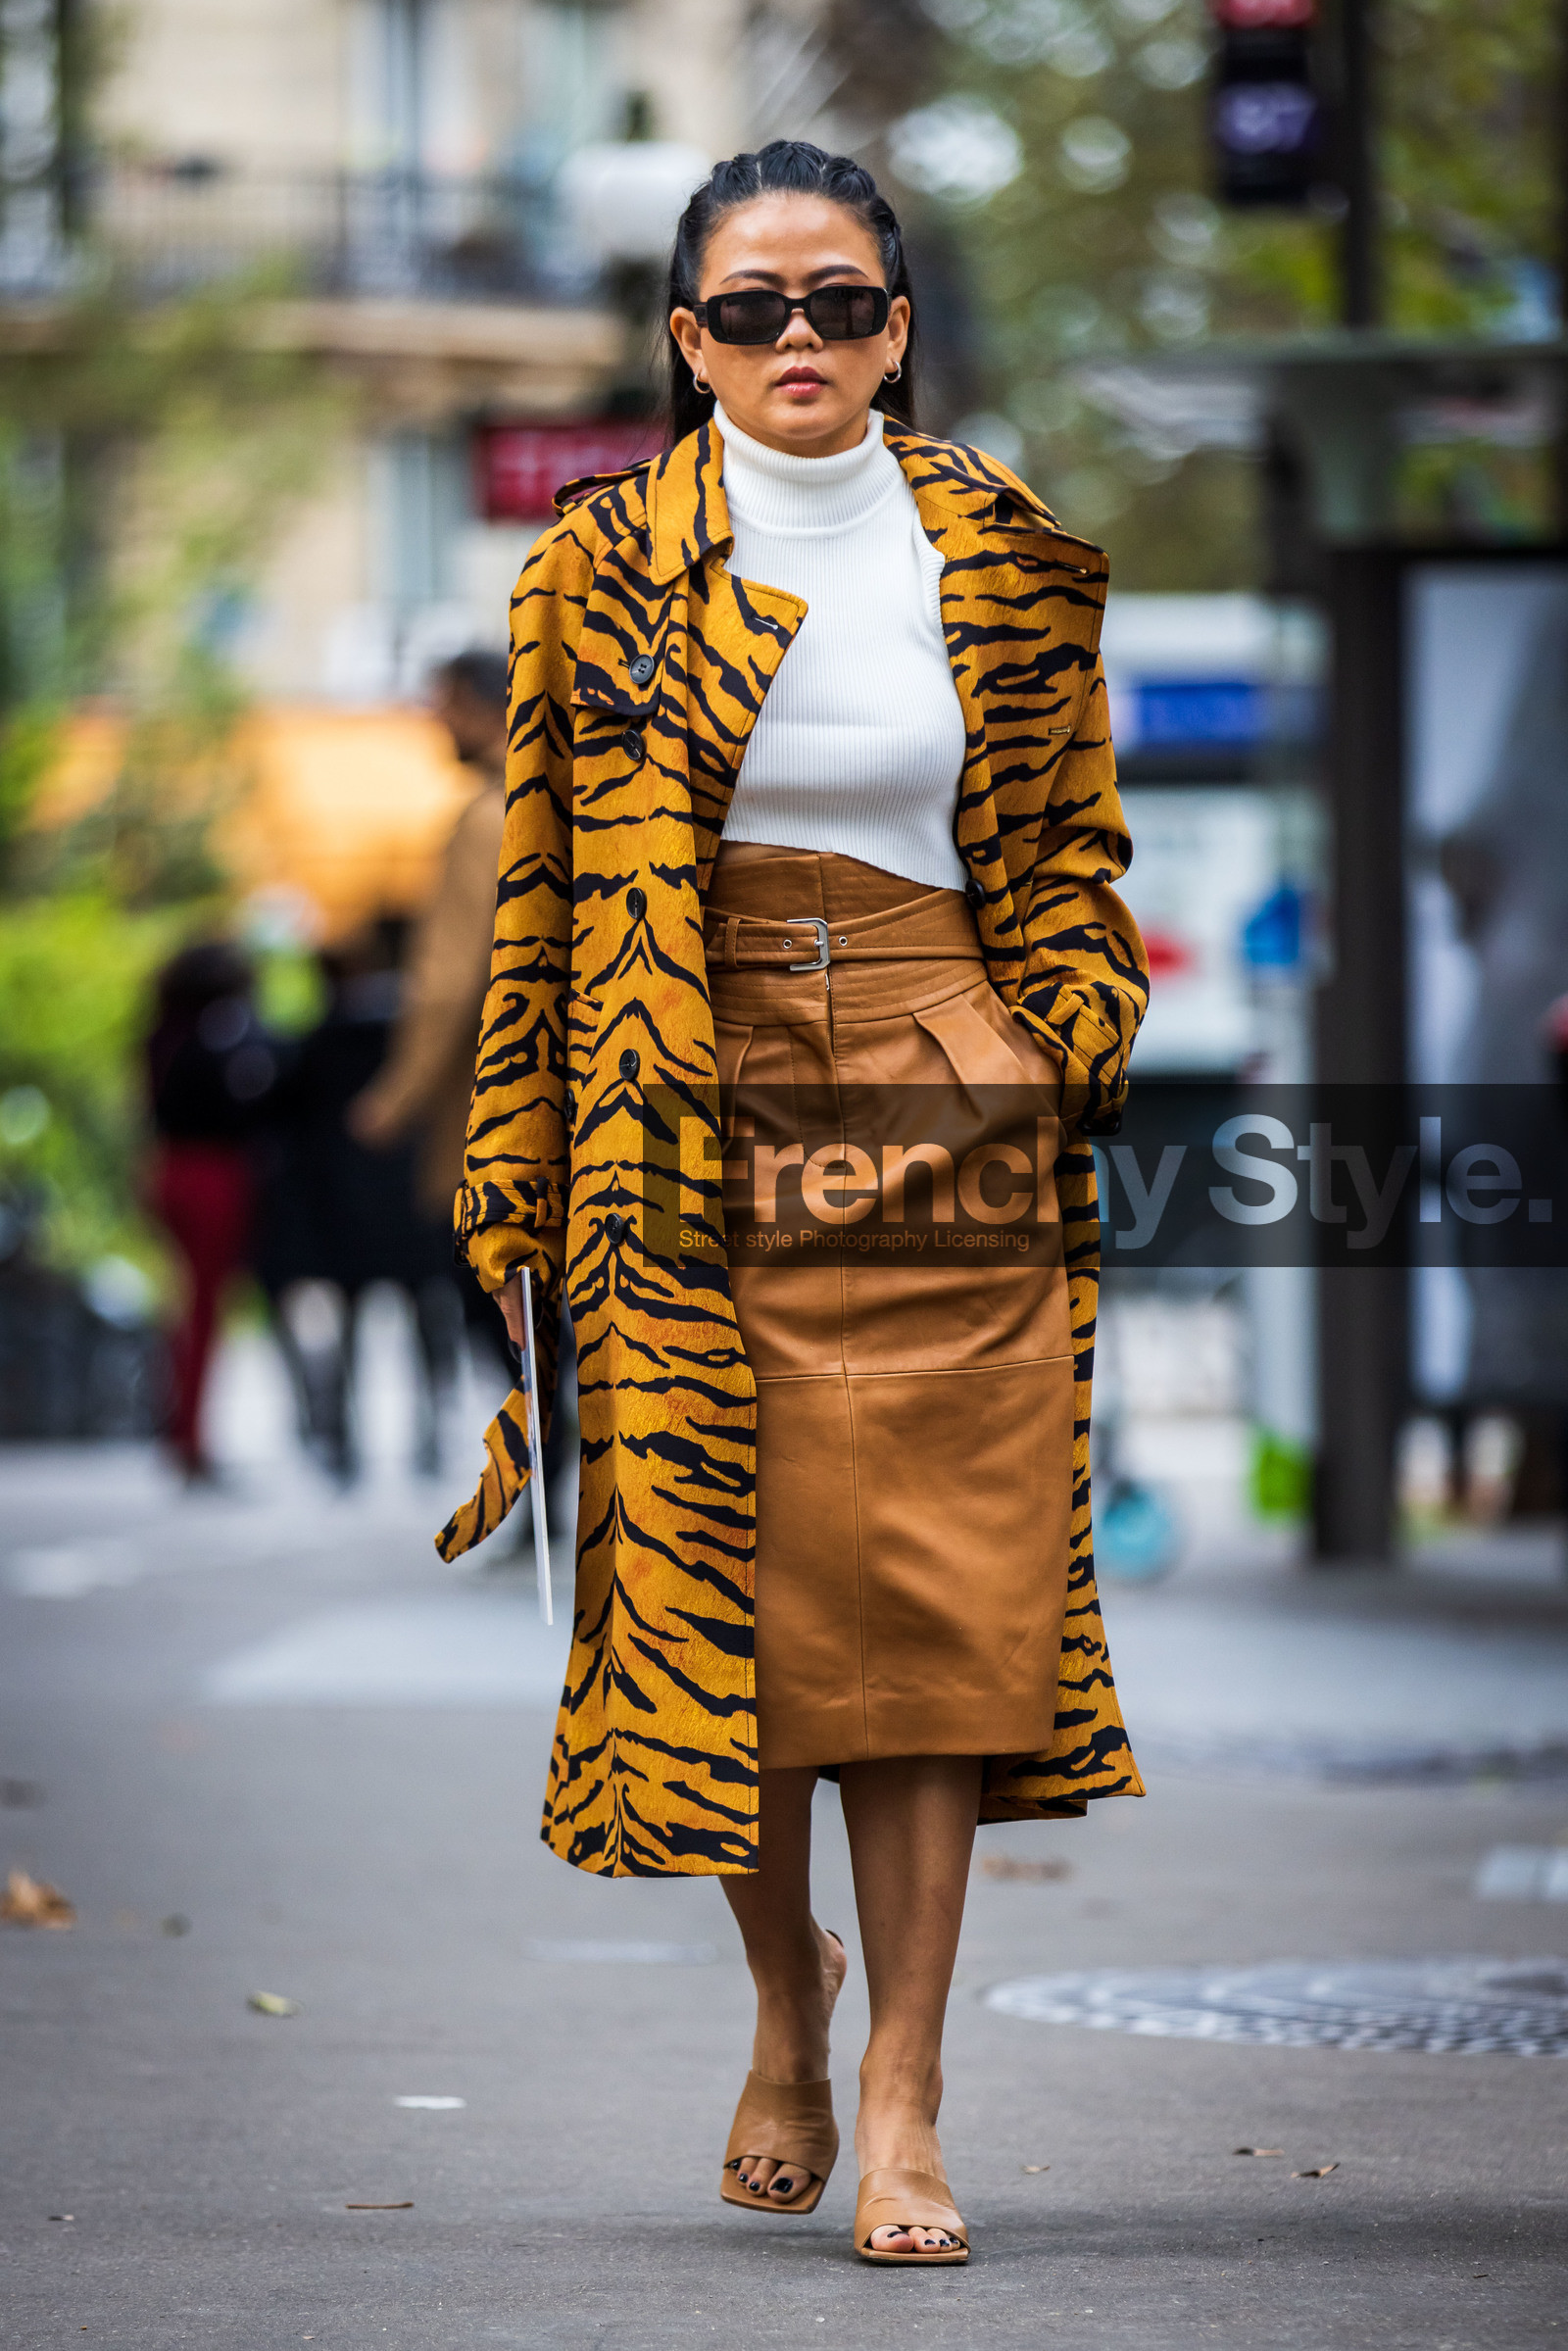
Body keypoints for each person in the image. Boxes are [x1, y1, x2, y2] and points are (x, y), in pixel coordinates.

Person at [438, 142, 1150, 2264]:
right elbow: (543, 891)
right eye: (748, 310)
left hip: (946, 1081)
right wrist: (523, 1170)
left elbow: (1069, 852)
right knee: (714, 1584)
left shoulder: (1005, 556)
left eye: (837, 301)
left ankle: (909, 2089)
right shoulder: (595, 569)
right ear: (686, 342)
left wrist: (1053, 1039)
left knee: (927, 1603)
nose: (797, 342)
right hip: (685, 1091)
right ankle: (783, 1997)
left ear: (897, 319)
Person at [145, 940, 278, 1481]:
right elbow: (244, 1105)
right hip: (213, 1176)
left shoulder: (160, 1035)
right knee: (203, 1310)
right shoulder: (223, 1034)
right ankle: (190, 1439)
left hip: (168, 1170)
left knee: (187, 1306)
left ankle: (182, 1427)